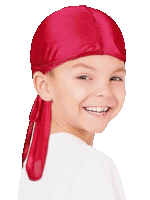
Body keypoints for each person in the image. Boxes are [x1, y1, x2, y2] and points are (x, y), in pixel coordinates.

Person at [19, 5, 126, 200]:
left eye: (115, 78)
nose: (104, 91)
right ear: (44, 85)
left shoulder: (33, 164)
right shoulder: (92, 164)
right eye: (84, 77)